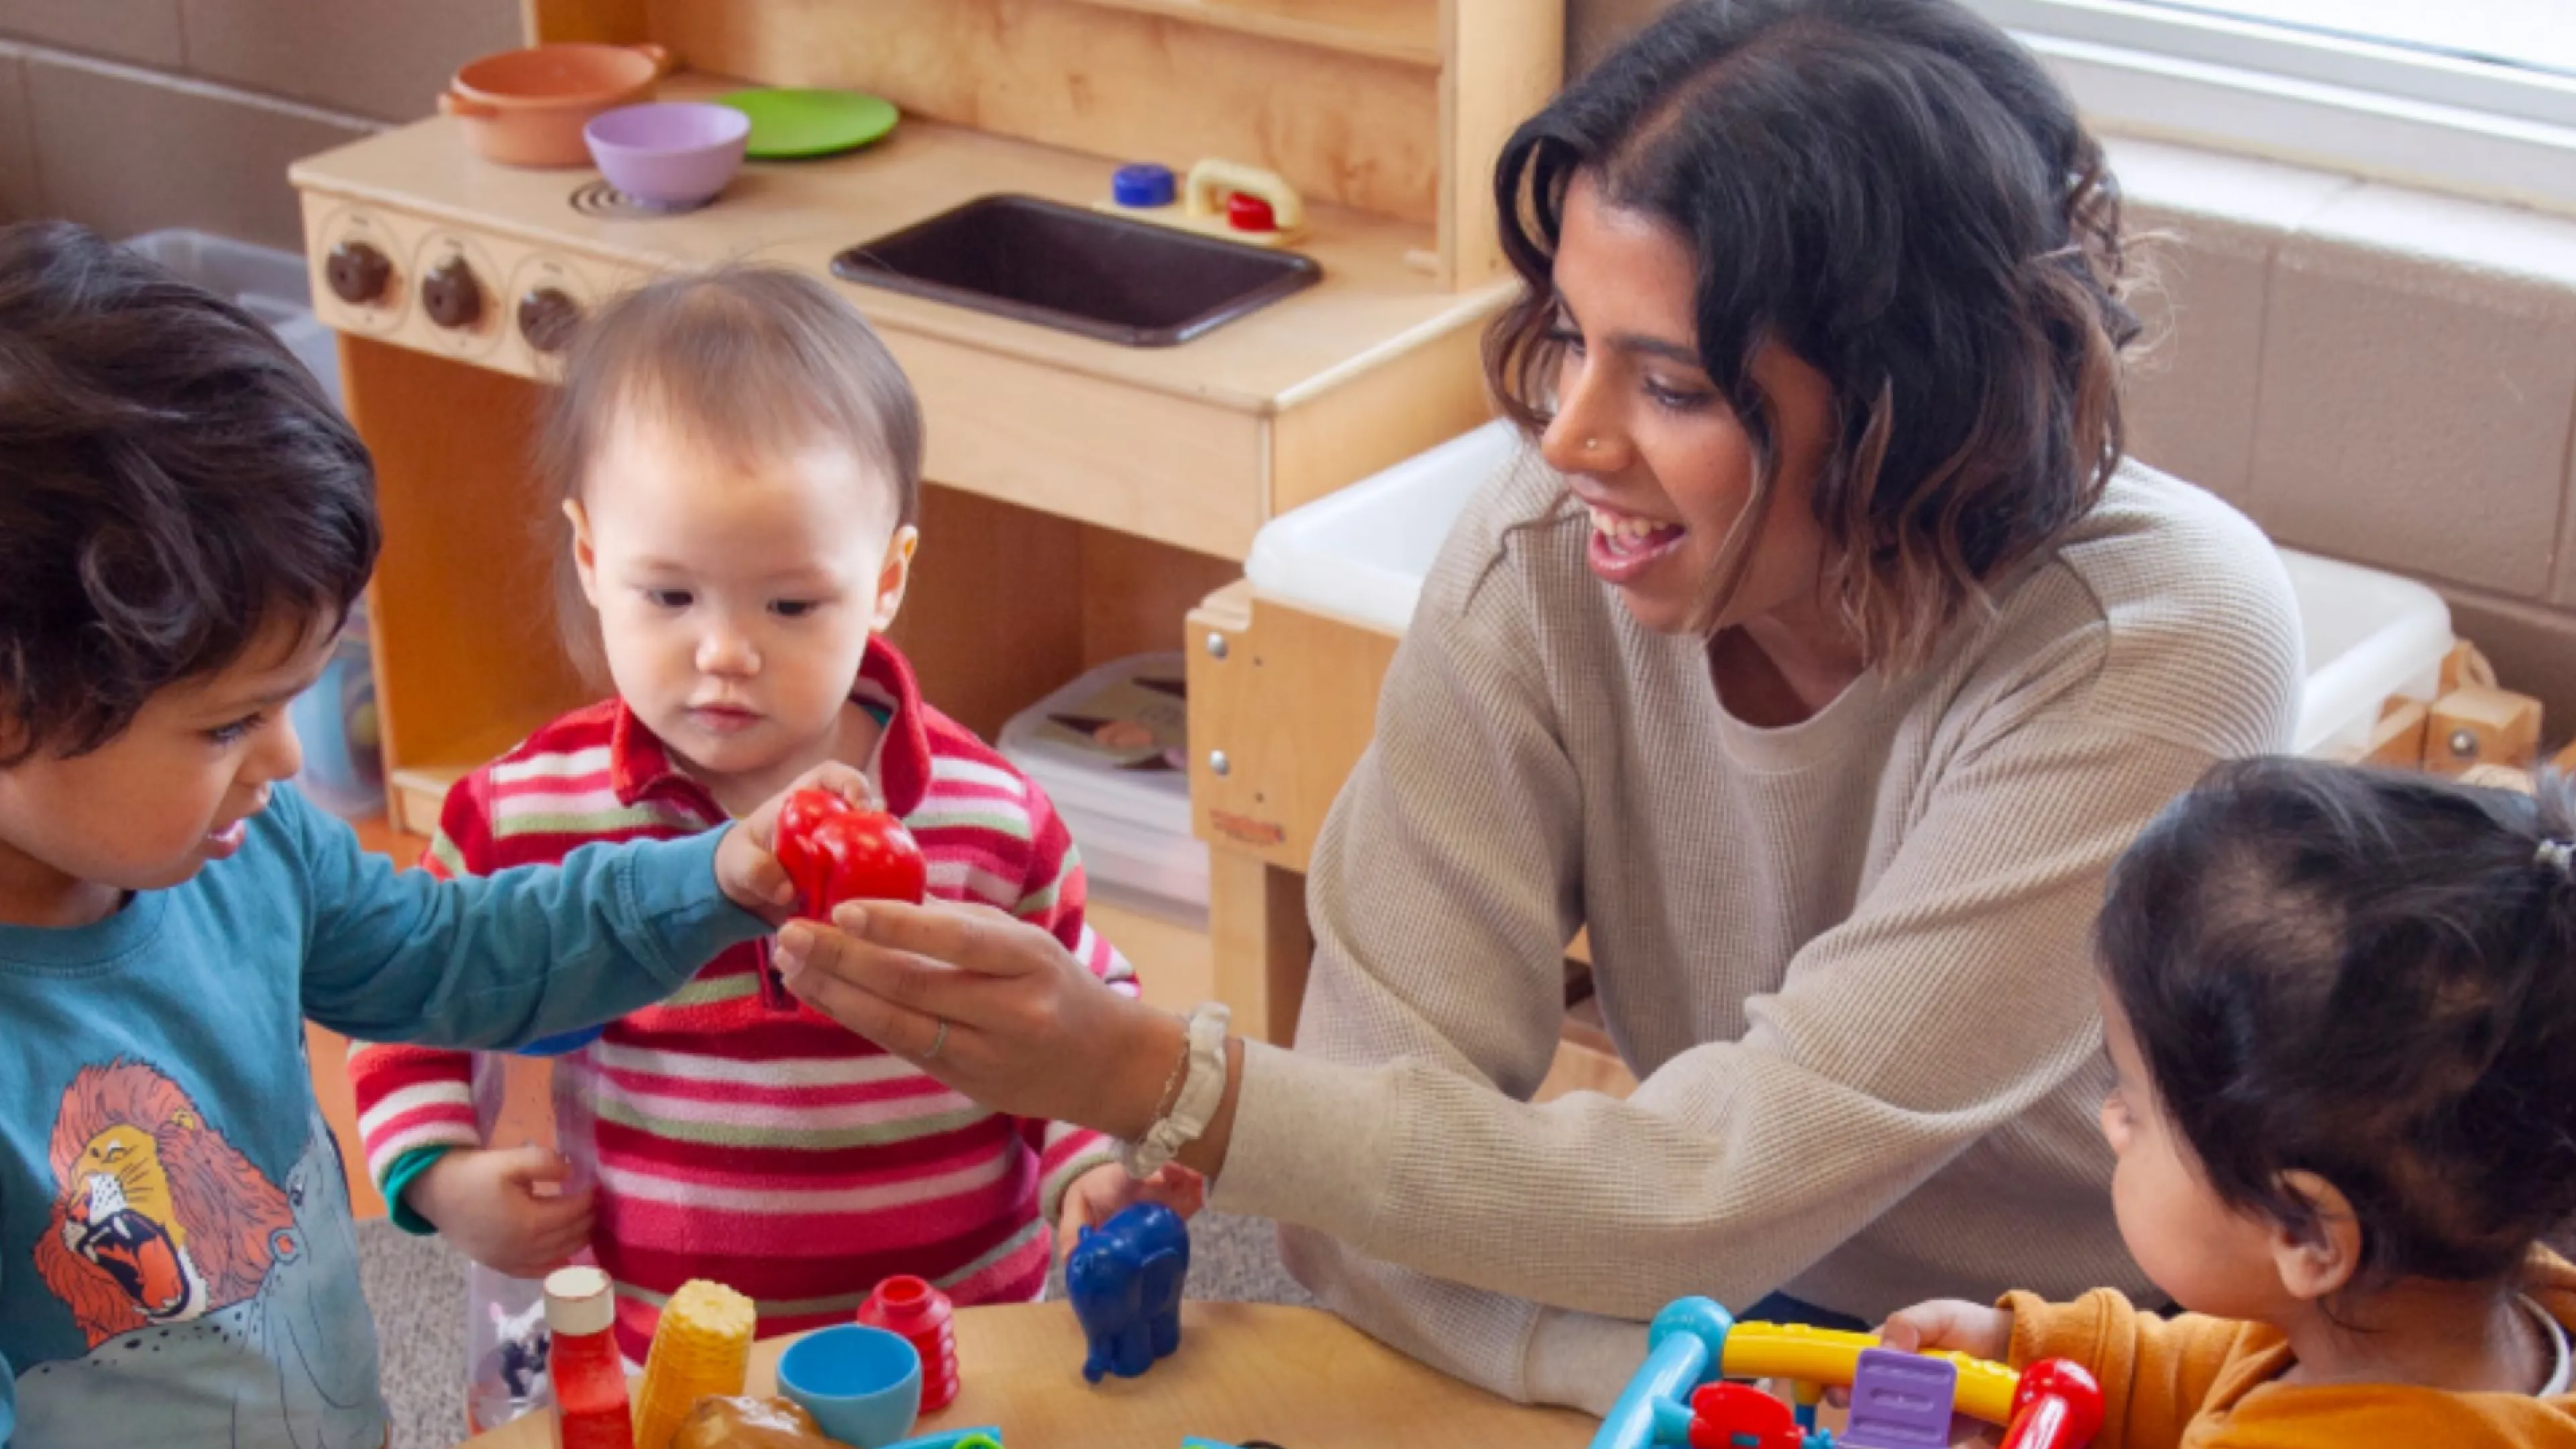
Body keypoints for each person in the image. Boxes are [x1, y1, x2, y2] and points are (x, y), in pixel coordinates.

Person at [768, 0, 2304, 1413]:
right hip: (1689, 1315)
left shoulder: (2160, 639)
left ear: (1920, 403)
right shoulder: (1547, 543)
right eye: (1568, 333)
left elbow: (1705, 1181)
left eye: (1675, 385)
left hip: (2076, 1358)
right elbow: (1358, 1186)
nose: (1566, 436)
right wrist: (1689, 1386)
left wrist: (1157, 1079)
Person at [0, 222, 854, 1448]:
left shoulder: (254, 850)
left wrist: (715, 874)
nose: (290, 763)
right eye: (228, 724)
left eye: (288, 702)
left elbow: (459, 954)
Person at [346, 266, 1192, 1366]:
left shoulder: (989, 816)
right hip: (672, 1352)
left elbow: (1079, 1014)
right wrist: (444, 1177)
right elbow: (402, 989)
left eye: (792, 604)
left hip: (962, 1335)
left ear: (885, 579)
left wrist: (1090, 1159)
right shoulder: (528, 811)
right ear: (593, 559)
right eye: (670, 596)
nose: (726, 652)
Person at [1882, 759, 2576, 1444]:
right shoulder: (2465, 1324)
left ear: (2305, 1232)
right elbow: (2210, 1370)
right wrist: (2030, 1351)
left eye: (2136, 1107)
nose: (2111, 1122)